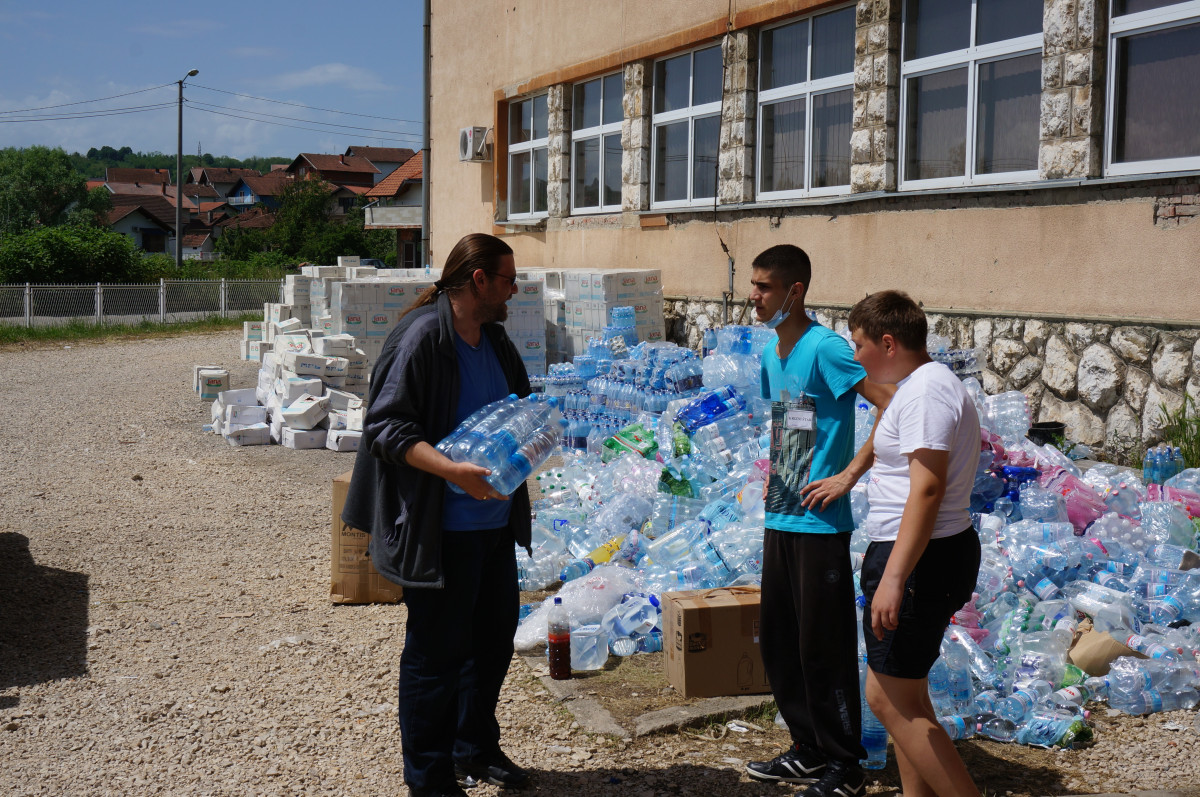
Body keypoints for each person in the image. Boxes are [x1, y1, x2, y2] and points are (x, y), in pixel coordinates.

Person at [341, 233, 532, 797]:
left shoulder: (495, 342)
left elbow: (520, 407)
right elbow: (385, 428)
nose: (513, 292)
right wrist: (453, 472)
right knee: (436, 655)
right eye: (506, 280)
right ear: (478, 280)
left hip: (493, 526)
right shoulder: (424, 338)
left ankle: (474, 748)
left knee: (492, 644)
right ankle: (428, 778)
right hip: (441, 529)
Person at [745, 245, 892, 796]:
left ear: (794, 292)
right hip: (781, 516)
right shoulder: (772, 353)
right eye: (753, 286)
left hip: (822, 525)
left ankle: (844, 762)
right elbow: (791, 421)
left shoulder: (826, 348)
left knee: (822, 647)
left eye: (763, 287)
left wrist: (850, 475)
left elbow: (890, 405)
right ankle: (807, 748)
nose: (753, 296)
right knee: (780, 644)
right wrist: (777, 473)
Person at [848, 290, 981, 797]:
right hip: (926, 552)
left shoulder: (925, 393)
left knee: (884, 700)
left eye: (859, 345)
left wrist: (895, 579)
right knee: (908, 697)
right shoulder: (921, 386)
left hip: (919, 558)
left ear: (887, 342)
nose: (855, 357)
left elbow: (927, 488)